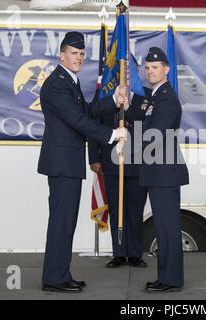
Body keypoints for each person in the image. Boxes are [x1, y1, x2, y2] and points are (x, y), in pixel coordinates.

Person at [38, 31, 127, 293]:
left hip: (68, 163)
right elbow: (77, 121)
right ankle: (54, 278)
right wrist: (112, 134)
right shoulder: (56, 84)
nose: (78, 58)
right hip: (62, 164)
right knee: (61, 222)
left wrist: (113, 100)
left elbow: (85, 112)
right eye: (73, 54)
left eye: (81, 54)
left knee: (66, 222)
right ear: (61, 55)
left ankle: (60, 274)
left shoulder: (69, 81)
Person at [125, 47, 189, 293]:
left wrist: (126, 142)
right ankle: (167, 277)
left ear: (166, 70)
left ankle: (171, 279)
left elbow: (155, 134)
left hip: (164, 171)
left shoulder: (167, 99)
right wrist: (124, 102)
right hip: (156, 170)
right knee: (163, 228)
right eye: (147, 68)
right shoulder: (153, 97)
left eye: (155, 68)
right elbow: (139, 119)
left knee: (167, 229)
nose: (150, 71)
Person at [88, 73, 150, 269]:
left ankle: (135, 254)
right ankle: (119, 254)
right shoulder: (104, 96)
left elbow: (149, 128)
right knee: (116, 210)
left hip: (138, 162)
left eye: (127, 72)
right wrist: (94, 158)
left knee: (135, 210)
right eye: (120, 72)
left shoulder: (145, 97)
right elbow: (93, 126)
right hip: (111, 162)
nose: (124, 76)